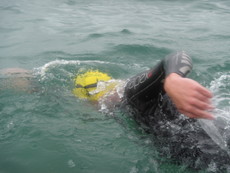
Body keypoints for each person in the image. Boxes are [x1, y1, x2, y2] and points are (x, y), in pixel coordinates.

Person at [72, 51, 230, 172]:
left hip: (219, 145)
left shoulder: (132, 95)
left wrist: (173, 79)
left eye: (92, 103)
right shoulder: (127, 112)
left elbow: (176, 57)